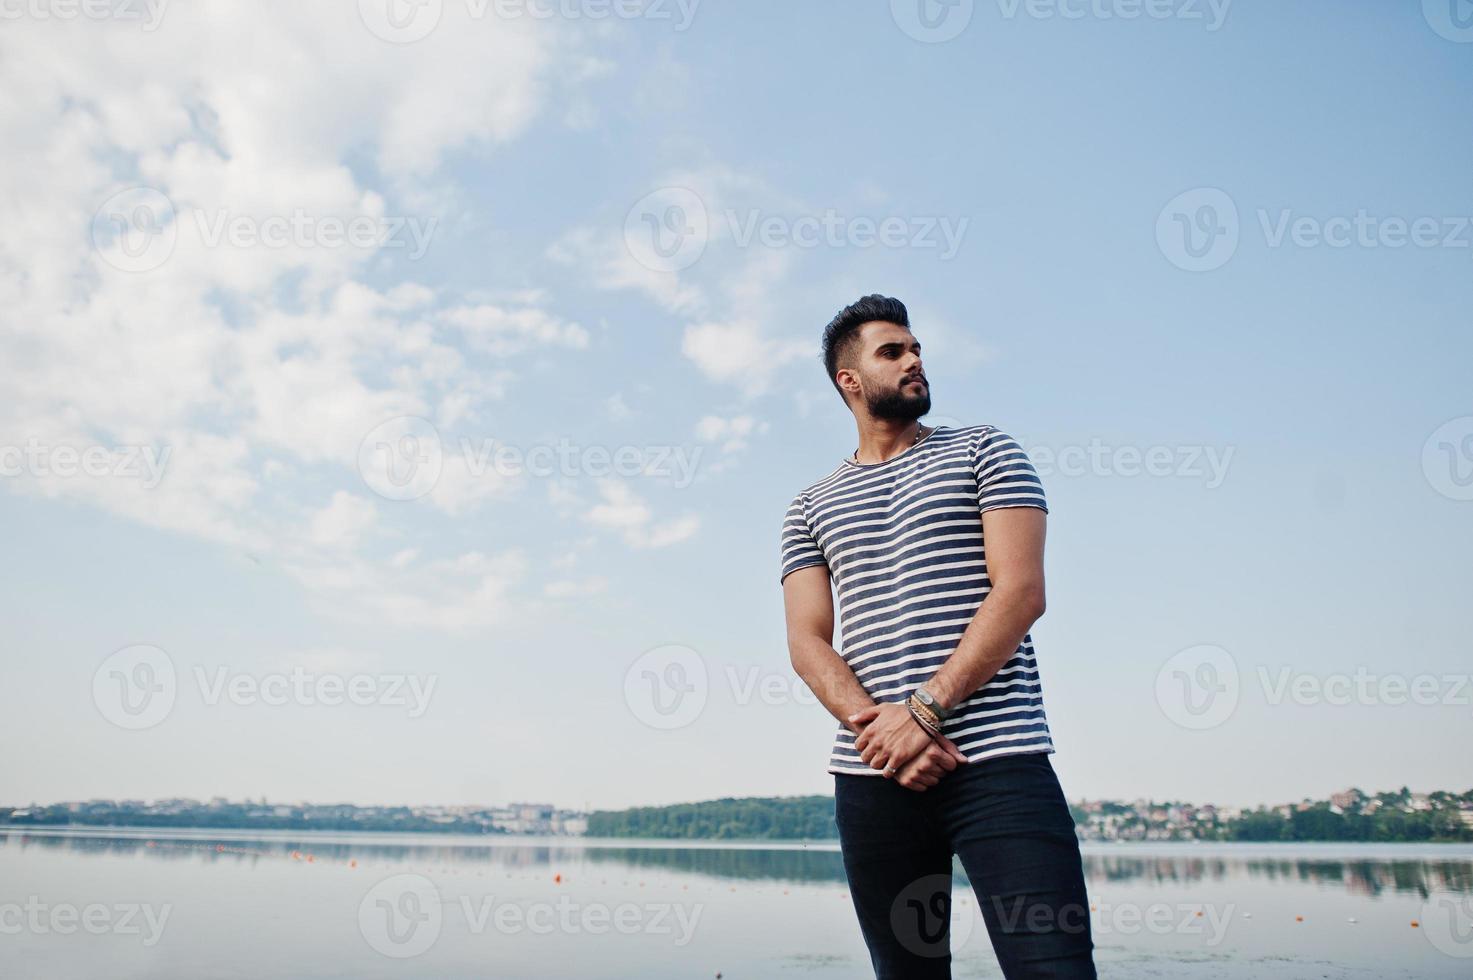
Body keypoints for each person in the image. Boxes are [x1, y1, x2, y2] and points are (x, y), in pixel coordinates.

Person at [779, 295, 1097, 979]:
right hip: (873, 779)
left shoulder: (984, 447)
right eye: (892, 351)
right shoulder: (809, 505)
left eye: (916, 347)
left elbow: (1020, 593)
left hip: (1000, 763)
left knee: (1054, 969)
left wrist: (923, 713)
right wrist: (884, 737)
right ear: (850, 382)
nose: (915, 359)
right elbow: (807, 643)